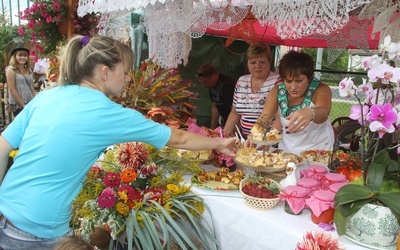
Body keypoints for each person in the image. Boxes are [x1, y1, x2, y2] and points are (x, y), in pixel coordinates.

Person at [0, 35, 238, 249]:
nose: (128, 78)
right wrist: (219, 144)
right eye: (125, 72)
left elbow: (3, 146)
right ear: (105, 72)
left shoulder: (48, 95)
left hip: (6, 215)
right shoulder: (108, 112)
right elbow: (180, 137)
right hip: (38, 232)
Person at [251, 50, 334, 155]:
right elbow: (264, 119)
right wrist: (254, 135)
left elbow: (324, 112)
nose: (293, 87)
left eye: (299, 81)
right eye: (288, 81)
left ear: (309, 78)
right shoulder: (277, 91)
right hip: (287, 151)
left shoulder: (321, 89)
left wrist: (311, 112)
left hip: (318, 152)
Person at [223, 43, 280, 139]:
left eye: (262, 62)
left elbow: (279, 117)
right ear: (247, 64)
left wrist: (268, 139)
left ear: (269, 63)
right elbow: (235, 112)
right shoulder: (241, 81)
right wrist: (223, 136)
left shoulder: (277, 81)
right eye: (253, 62)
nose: (258, 66)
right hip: (245, 137)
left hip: (269, 139)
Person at [196, 64, 236, 129]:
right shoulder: (212, 84)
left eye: (205, 82)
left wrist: (228, 129)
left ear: (214, 76)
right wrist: (212, 129)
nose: (203, 86)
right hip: (224, 120)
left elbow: (235, 111)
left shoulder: (226, 86)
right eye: (202, 83)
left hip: (234, 123)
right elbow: (215, 107)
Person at [5, 46, 35, 118]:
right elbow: (12, 90)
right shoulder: (11, 70)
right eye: (20, 55)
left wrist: (34, 102)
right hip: (18, 104)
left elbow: (32, 87)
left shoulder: (29, 69)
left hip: (30, 102)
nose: (22, 57)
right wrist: (24, 106)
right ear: (15, 56)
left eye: (25, 55)